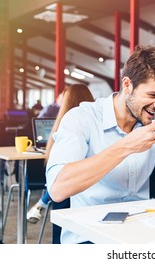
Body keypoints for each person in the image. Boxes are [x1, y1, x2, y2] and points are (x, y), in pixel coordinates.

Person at [46, 45, 155, 244]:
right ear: (127, 85)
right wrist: (126, 146)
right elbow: (57, 189)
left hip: (141, 232)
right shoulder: (81, 118)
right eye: (153, 95)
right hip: (89, 236)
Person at [26, 84, 95, 224]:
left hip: (66, 195)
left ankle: (42, 202)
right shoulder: (95, 126)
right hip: (91, 195)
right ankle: (42, 202)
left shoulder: (64, 124)